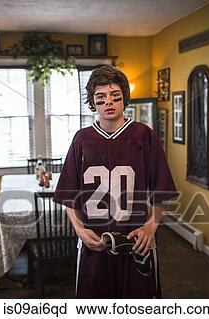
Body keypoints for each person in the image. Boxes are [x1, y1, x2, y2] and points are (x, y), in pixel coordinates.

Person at [53, 65, 178, 298]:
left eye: (115, 96)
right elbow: (69, 195)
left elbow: (161, 190)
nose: (108, 102)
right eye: (101, 97)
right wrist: (79, 230)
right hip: (95, 243)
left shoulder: (143, 135)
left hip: (137, 242)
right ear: (92, 101)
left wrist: (151, 226)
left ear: (123, 99)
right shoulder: (82, 139)